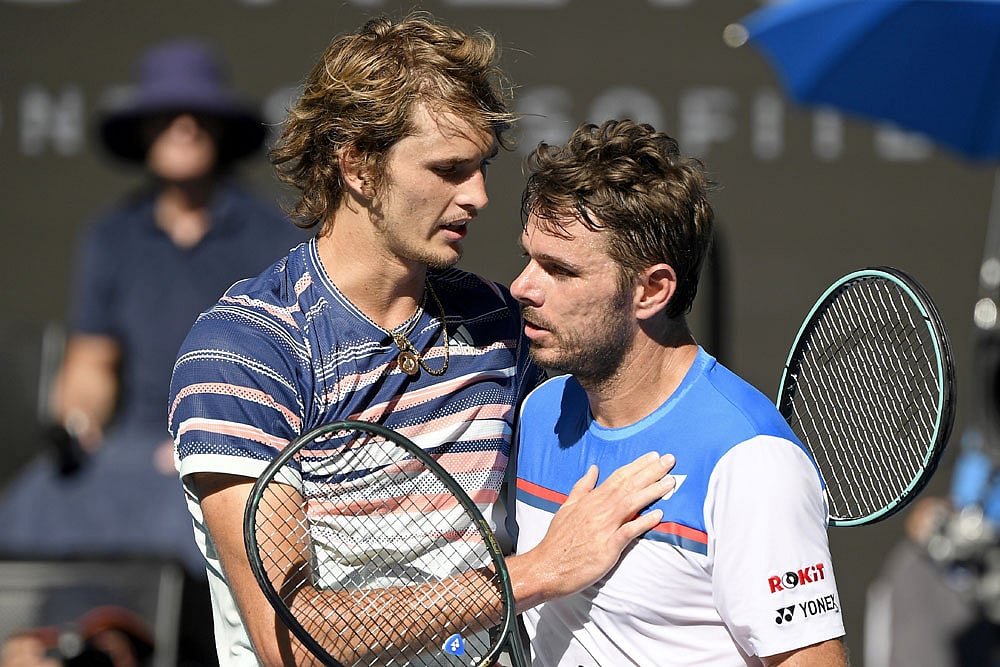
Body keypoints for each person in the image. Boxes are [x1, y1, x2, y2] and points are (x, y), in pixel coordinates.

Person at [167, 14, 677, 666]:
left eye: (482, 167)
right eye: (448, 169)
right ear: (356, 163)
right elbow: (290, 637)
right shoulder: (244, 350)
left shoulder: (498, 323)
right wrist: (535, 572)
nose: (479, 195)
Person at [0, 38, 304, 665]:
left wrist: (213, 431)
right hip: (133, 449)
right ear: (145, 129)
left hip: (228, 440)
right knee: (43, 503)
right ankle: (78, 643)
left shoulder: (269, 233)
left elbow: (287, 359)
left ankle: (129, 643)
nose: (183, 126)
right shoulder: (112, 236)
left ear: (219, 128)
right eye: (167, 114)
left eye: (196, 114)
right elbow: (92, 363)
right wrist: (77, 423)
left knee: (197, 517)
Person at [509, 119, 848, 666]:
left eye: (560, 270)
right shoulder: (541, 409)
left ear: (652, 289)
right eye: (529, 257)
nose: (523, 285)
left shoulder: (752, 462)